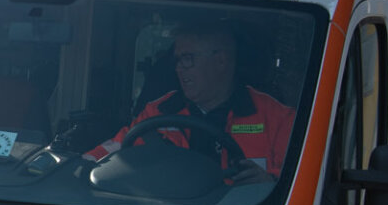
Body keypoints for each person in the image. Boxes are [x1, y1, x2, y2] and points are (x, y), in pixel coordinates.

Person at [86, 22, 295, 174]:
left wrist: (267, 182)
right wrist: (81, 166)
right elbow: (112, 150)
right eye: (176, 61)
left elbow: (299, 181)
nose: (178, 69)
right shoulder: (159, 111)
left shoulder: (277, 118)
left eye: (187, 59)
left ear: (221, 61)